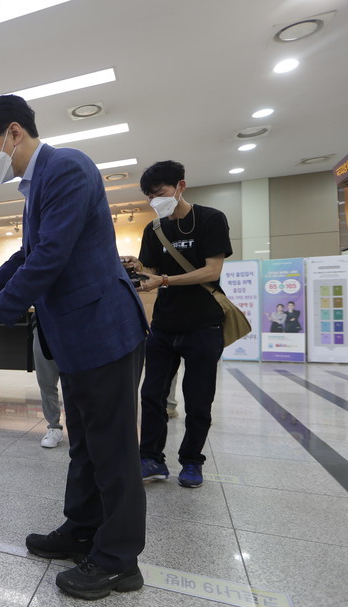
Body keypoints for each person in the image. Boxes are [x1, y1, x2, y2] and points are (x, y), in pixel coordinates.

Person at [0, 95, 149, 601]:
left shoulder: (66, 167)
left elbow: (52, 258)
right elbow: (30, 253)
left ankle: (119, 559)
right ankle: (81, 528)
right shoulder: (37, 184)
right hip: (78, 337)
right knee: (84, 443)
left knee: (112, 449)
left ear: (13, 133)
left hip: (103, 331)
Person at [127, 160, 233, 490]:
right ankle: (151, 459)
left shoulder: (211, 219)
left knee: (198, 399)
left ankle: (191, 462)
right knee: (151, 394)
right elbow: (151, 273)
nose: (154, 201)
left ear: (180, 187)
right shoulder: (153, 229)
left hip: (204, 326)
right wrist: (137, 267)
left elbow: (212, 271)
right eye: (149, 197)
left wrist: (166, 280)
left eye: (159, 194)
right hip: (164, 326)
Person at [32, 314, 65, 448]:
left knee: (77, 381)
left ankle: (82, 426)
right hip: (43, 324)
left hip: (76, 321)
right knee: (46, 381)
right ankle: (54, 427)